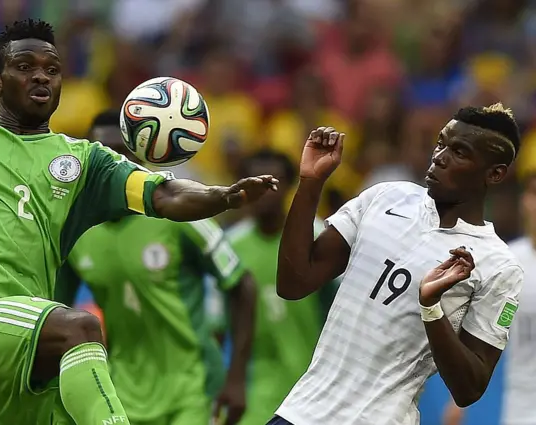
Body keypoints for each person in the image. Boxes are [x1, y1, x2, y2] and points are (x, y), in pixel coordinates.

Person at [0, 19, 277, 425]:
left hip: (28, 349)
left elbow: (164, 194)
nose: (41, 75)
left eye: (52, 68)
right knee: (80, 328)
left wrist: (222, 196)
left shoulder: (85, 161)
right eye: (25, 66)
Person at [270, 103, 524, 425]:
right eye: (441, 143)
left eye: (459, 152)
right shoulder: (385, 198)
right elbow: (293, 283)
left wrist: (431, 308)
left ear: (495, 173)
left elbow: (469, 389)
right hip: (299, 412)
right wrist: (310, 182)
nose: (440, 157)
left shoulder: (498, 265)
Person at [58, 110, 257, 425]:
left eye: (121, 153)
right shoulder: (76, 230)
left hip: (193, 387)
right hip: (123, 390)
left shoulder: (181, 214)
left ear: (137, 158)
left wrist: (236, 378)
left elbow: (241, 284)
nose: (113, 163)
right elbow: (58, 309)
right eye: (103, 152)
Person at [226, 149, 339, 425]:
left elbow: (341, 304)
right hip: (254, 387)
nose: (264, 192)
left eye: (273, 183)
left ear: (289, 186)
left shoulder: (317, 235)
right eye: (256, 183)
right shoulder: (231, 246)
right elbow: (220, 322)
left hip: (311, 383)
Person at [442, 173, 536, 425]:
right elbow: (487, 331)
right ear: (524, 201)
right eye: (533, 194)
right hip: (519, 411)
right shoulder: (510, 264)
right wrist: (456, 402)